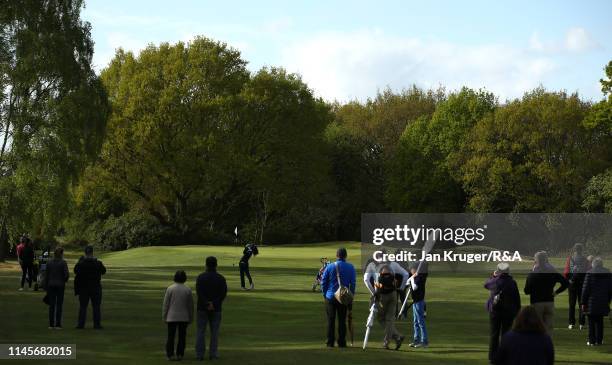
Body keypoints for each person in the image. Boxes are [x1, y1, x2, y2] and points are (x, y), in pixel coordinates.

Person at [363, 253, 409, 349]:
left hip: (381, 295)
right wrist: (401, 288)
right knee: (389, 319)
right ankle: (393, 339)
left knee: (381, 318)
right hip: (393, 293)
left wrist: (373, 293)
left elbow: (366, 280)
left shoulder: (372, 265)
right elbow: (406, 274)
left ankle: (393, 339)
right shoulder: (393, 264)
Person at [524, 251, 568, 335]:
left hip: (536, 302)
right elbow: (565, 283)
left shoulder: (532, 274)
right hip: (549, 301)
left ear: (536, 260)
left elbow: (526, 291)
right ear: (546, 260)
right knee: (548, 329)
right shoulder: (552, 272)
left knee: (537, 327)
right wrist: (556, 292)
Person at [484, 262, 521, 364]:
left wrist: (493, 276)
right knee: (506, 334)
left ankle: (492, 357)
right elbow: (517, 298)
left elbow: (486, 284)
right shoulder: (512, 282)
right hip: (508, 311)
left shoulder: (495, 281)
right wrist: (517, 311)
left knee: (494, 334)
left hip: (495, 311)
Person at [321, 247, 356, 348]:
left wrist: (325, 294)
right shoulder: (350, 267)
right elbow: (352, 284)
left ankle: (330, 342)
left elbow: (323, 282)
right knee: (342, 320)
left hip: (330, 296)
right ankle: (341, 342)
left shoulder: (329, 266)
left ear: (336, 256)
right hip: (344, 297)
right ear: (345, 256)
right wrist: (351, 296)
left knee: (330, 320)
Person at [195, 256, 227, 361]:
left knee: (201, 331)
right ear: (216, 265)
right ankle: (213, 354)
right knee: (214, 332)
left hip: (202, 308)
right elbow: (223, 294)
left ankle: (200, 354)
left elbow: (199, 292)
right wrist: (214, 303)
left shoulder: (200, 277)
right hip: (216, 308)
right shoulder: (221, 278)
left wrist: (206, 303)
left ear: (206, 264)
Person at [163, 270, 194, 361]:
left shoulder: (170, 288)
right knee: (182, 337)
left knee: (171, 336)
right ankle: (180, 354)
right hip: (184, 317)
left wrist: (164, 316)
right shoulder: (187, 289)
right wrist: (191, 317)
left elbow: (166, 304)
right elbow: (190, 305)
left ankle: (170, 354)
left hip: (171, 316)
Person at [581, 257, 612, 346]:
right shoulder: (608, 274)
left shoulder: (589, 273)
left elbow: (585, 289)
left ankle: (591, 341)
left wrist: (583, 302)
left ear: (593, 264)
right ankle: (599, 340)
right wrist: (608, 301)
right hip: (603, 301)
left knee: (591, 322)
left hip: (591, 301)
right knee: (600, 321)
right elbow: (610, 289)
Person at [74, 245, 107, 329]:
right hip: (95, 287)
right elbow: (104, 271)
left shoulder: (81, 263)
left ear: (85, 253)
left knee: (83, 307)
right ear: (92, 252)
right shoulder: (97, 263)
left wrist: (79, 261)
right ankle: (97, 325)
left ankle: (81, 324)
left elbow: (75, 270)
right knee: (96, 307)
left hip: (84, 288)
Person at [374, 265, 405, 350]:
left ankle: (387, 342)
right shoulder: (392, 268)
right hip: (394, 295)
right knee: (390, 320)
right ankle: (397, 337)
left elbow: (378, 287)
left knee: (381, 318)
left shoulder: (380, 272)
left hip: (384, 296)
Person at [563, 243, 588, 329]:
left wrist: (569, 280)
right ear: (581, 250)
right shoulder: (585, 260)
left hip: (572, 284)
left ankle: (571, 323)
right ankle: (581, 323)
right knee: (582, 304)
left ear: (574, 250)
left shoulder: (570, 259)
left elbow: (566, 272)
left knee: (572, 304)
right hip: (582, 284)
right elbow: (588, 271)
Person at [44, 247, 69, 329]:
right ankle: (58, 324)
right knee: (59, 305)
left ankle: (51, 324)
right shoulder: (63, 263)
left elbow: (46, 276)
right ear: (61, 254)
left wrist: (46, 287)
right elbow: (66, 275)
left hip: (51, 285)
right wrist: (64, 280)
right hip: (60, 285)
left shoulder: (49, 263)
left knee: (52, 305)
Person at [407, 261, 429, 348]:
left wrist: (412, 278)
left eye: (411, 269)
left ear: (415, 269)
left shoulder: (420, 277)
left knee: (420, 322)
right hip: (415, 302)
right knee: (415, 322)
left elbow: (415, 287)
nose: (410, 271)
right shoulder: (415, 276)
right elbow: (407, 282)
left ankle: (424, 341)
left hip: (419, 302)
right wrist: (412, 277)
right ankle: (416, 340)